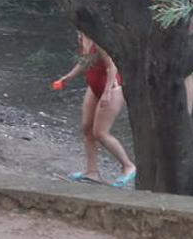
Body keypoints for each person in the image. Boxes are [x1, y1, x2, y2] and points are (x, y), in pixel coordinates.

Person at [55, 31, 138, 187]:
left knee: (100, 133)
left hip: (112, 88)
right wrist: (68, 77)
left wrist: (106, 93)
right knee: (87, 128)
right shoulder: (83, 37)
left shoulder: (99, 38)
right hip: (94, 87)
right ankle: (92, 172)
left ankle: (128, 166)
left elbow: (111, 66)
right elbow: (86, 61)